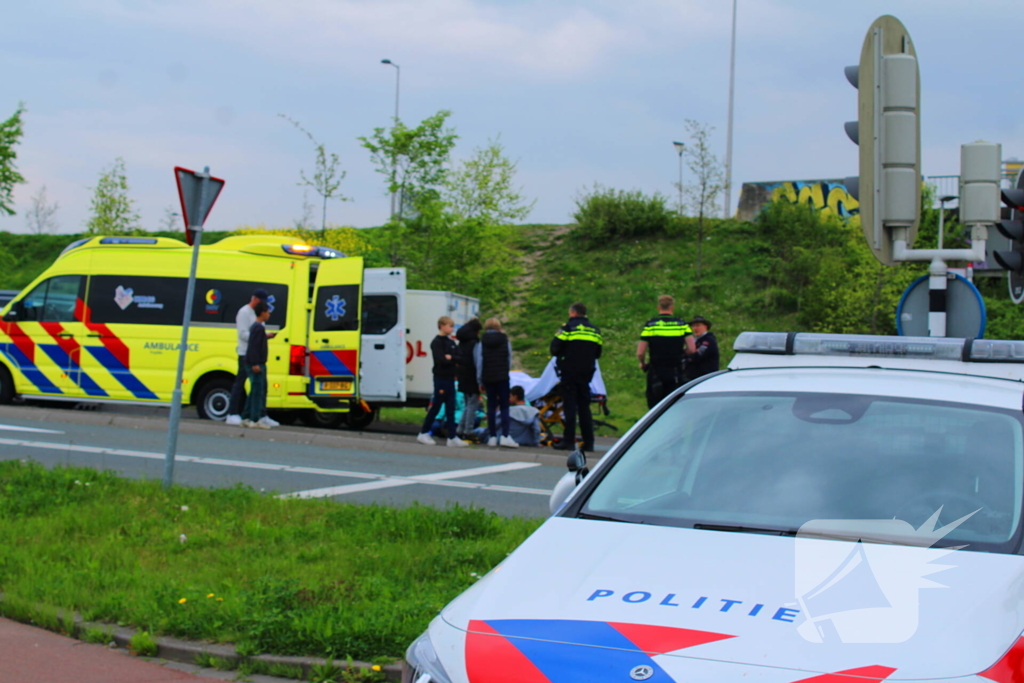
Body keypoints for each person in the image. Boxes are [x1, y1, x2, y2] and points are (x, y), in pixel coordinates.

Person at [550, 302, 602, 452]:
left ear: (572, 313)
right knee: (584, 407)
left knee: (570, 407)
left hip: (569, 371)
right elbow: (598, 353)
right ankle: (589, 442)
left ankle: (568, 441)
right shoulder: (595, 330)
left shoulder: (567, 328)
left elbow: (554, 348)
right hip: (586, 373)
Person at [226, 289, 278, 427]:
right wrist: (261, 337)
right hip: (246, 353)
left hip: (256, 353)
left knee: (260, 386)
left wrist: (264, 336)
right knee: (241, 383)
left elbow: (257, 332)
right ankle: (232, 413)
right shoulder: (244, 312)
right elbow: (243, 334)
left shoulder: (257, 315)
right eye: (260, 301)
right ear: (254, 299)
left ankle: (260, 414)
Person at [637, 294, 697, 408]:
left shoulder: (651, 325)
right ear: (672, 307)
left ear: (658, 307)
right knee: (673, 404)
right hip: (675, 370)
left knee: (655, 403)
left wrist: (643, 363)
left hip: (656, 371)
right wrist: (682, 353)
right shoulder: (681, 324)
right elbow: (692, 348)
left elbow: (640, 352)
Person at [416, 317, 467, 448]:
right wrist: (452, 360)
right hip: (441, 378)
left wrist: (452, 358)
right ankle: (423, 432)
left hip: (450, 378)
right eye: (450, 326)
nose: (452, 329)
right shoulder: (436, 342)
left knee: (450, 407)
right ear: (442, 326)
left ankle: (452, 436)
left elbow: (461, 358)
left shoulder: (451, 342)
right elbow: (441, 360)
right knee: (437, 406)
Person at [474, 318, 518, 448]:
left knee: (491, 406)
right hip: (502, 376)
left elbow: (480, 362)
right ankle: (505, 435)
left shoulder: (482, 342)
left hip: (488, 376)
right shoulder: (505, 340)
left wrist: (479, 380)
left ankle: (492, 436)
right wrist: (505, 371)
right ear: (499, 327)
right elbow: (509, 359)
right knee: (504, 406)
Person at [241, 302, 274, 428]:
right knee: (258, 392)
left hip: (254, 362)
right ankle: (255, 419)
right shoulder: (258, 327)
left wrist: (266, 337)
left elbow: (255, 342)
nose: (269, 315)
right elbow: (254, 347)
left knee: (254, 390)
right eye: (267, 312)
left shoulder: (256, 327)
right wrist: (255, 363)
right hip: (257, 363)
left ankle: (246, 416)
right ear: (262, 313)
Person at [455, 318, 483, 440]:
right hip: (472, 376)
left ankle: (460, 429)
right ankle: (468, 430)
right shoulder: (474, 342)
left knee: (467, 404)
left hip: (463, 375)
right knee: (472, 405)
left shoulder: (462, 340)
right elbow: (477, 361)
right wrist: (480, 379)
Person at [686, 315, 720, 380]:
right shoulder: (694, 340)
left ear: (705, 327)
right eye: (693, 326)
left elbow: (697, 355)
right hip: (694, 377)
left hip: (706, 377)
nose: (695, 328)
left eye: (698, 325)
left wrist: (688, 357)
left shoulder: (708, 340)